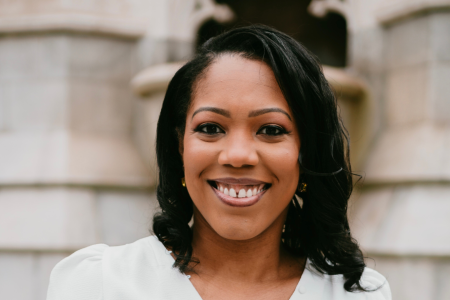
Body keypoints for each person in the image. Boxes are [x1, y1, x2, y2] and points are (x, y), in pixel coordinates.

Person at [47, 25, 391, 300]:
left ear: (307, 153)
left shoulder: (358, 294)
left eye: (271, 130)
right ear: (179, 145)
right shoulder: (99, 284)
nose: (238, 156)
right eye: (210, 128)